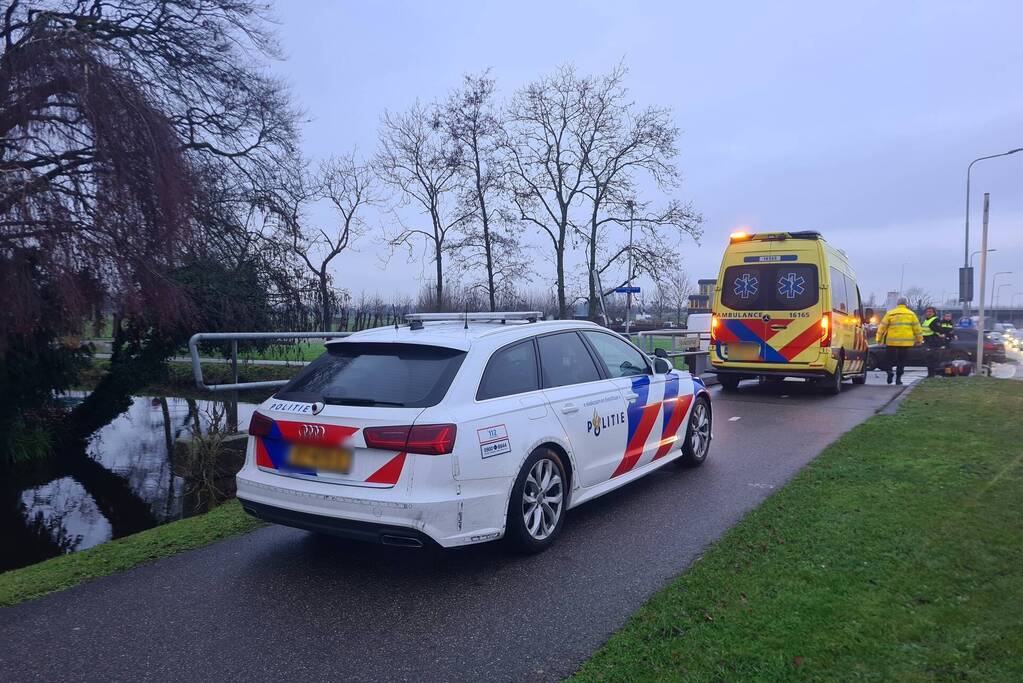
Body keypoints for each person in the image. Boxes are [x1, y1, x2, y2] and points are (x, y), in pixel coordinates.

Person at [876, 297, 923, 385]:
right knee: (901, 361)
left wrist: (879, 339)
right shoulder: (911, 314)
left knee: (889, 359)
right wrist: (919, 340)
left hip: (891, 342)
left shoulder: (890, 313)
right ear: (906, 304)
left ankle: (889, 371)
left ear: (897, 304)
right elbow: (917, 328)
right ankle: (898, 379)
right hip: (906, 342)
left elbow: (882, 327)